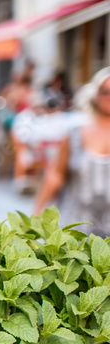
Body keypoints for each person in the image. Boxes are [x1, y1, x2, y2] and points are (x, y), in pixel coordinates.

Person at [35, 67, 110, 236]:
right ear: (95, 95)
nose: (109, 97)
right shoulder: (76, 133)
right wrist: (37, 213)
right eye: (105, 91)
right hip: (75, 230)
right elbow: (56, 174)